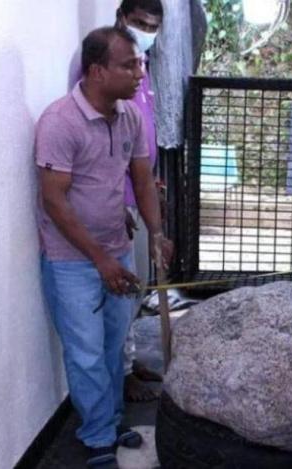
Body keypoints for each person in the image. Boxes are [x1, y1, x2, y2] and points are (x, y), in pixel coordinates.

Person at [37, 26, 174, 468]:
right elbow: (53, 200)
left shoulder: (130, 116)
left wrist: (156, 234)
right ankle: (97, 437)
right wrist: (99, 260)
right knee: (86, 352)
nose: (140, 73)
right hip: (72, 261)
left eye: (140, 63)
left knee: (114, 347)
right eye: (129, 65)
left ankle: (112, 424)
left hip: (116, 250)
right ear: (97, 71)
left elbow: (142, 180)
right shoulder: (60, 122)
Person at [68, 0, 166, 403]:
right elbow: (98, 144)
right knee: (120, 289)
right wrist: (118, 201)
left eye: (154, 26)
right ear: (122, 17)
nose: (147, 31)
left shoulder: (139, 66)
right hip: (115, 201)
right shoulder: (102, 67)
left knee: (133, 287)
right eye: (141, 23)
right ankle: (121, 374)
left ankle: (127, 360)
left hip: (138, 190)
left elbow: (137, 133)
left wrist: (148, 184)